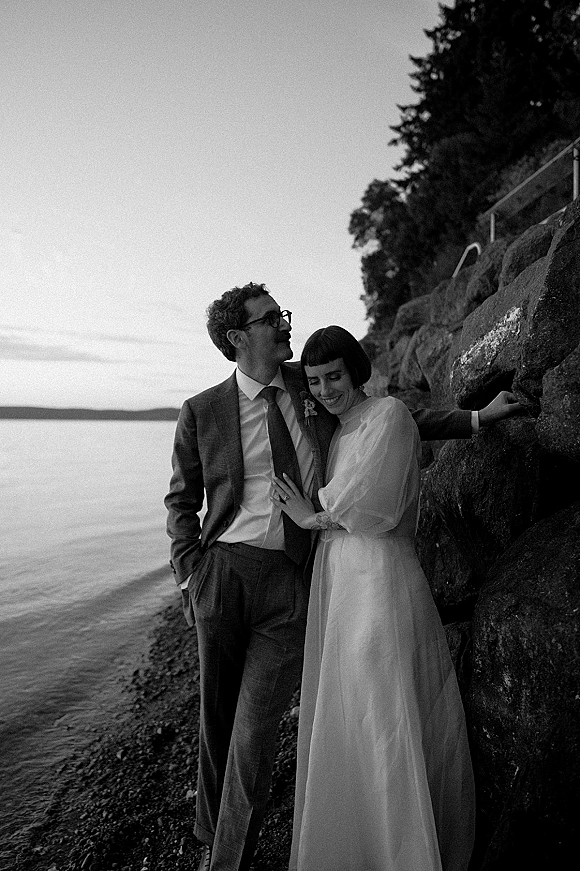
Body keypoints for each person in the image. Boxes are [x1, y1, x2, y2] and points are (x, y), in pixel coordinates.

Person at [164, 283, 520, 871]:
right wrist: (189, 574)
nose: (283, 324)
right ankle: (208, 827)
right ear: (237, 337)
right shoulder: (201, 410)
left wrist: (477, 417)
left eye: (282, 315)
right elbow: (182, 499)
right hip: (223, 574)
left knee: (253, 733)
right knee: (215, 719)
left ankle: (225, 860)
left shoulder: (311, 382)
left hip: (291, 576)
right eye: (269, 319)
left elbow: (392, 419)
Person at [271, 325, 476, 871]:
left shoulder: (389, 416)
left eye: (333, 376)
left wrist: (306, 516)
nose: (323, 390)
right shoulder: (339, 432)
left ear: (356, 370)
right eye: (313, 381)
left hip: (379, 578)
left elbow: (370, 504)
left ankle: (401, 851)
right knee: (345, 709)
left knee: (382, 705)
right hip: (340, 578)